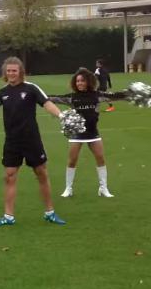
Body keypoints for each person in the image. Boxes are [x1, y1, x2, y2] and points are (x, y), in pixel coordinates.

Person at [0, 57, 66, 226]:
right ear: (5, 73)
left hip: (32, 140)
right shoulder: (2, 92)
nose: (11, 73)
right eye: (8, 71)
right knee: (9, 176)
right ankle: (8, 216)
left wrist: (61, 115)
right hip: (12, 141)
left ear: (20, 71)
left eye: (14, 70)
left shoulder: (31, 88)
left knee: (41, 174)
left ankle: (50, 212)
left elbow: (47, 103)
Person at [49, 67, 127, 198]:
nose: (79, 83)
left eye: (82, 81)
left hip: (93, 133)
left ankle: (103, 188)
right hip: (77, 134)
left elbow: (115, 96)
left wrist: (131, 94)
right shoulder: (72, 97)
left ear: (88, 82)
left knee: (100, 158)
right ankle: (68, 188)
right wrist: (37, 96)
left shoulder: (97, 95)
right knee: (72, 161)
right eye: (77, 81)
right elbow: (54, 98)